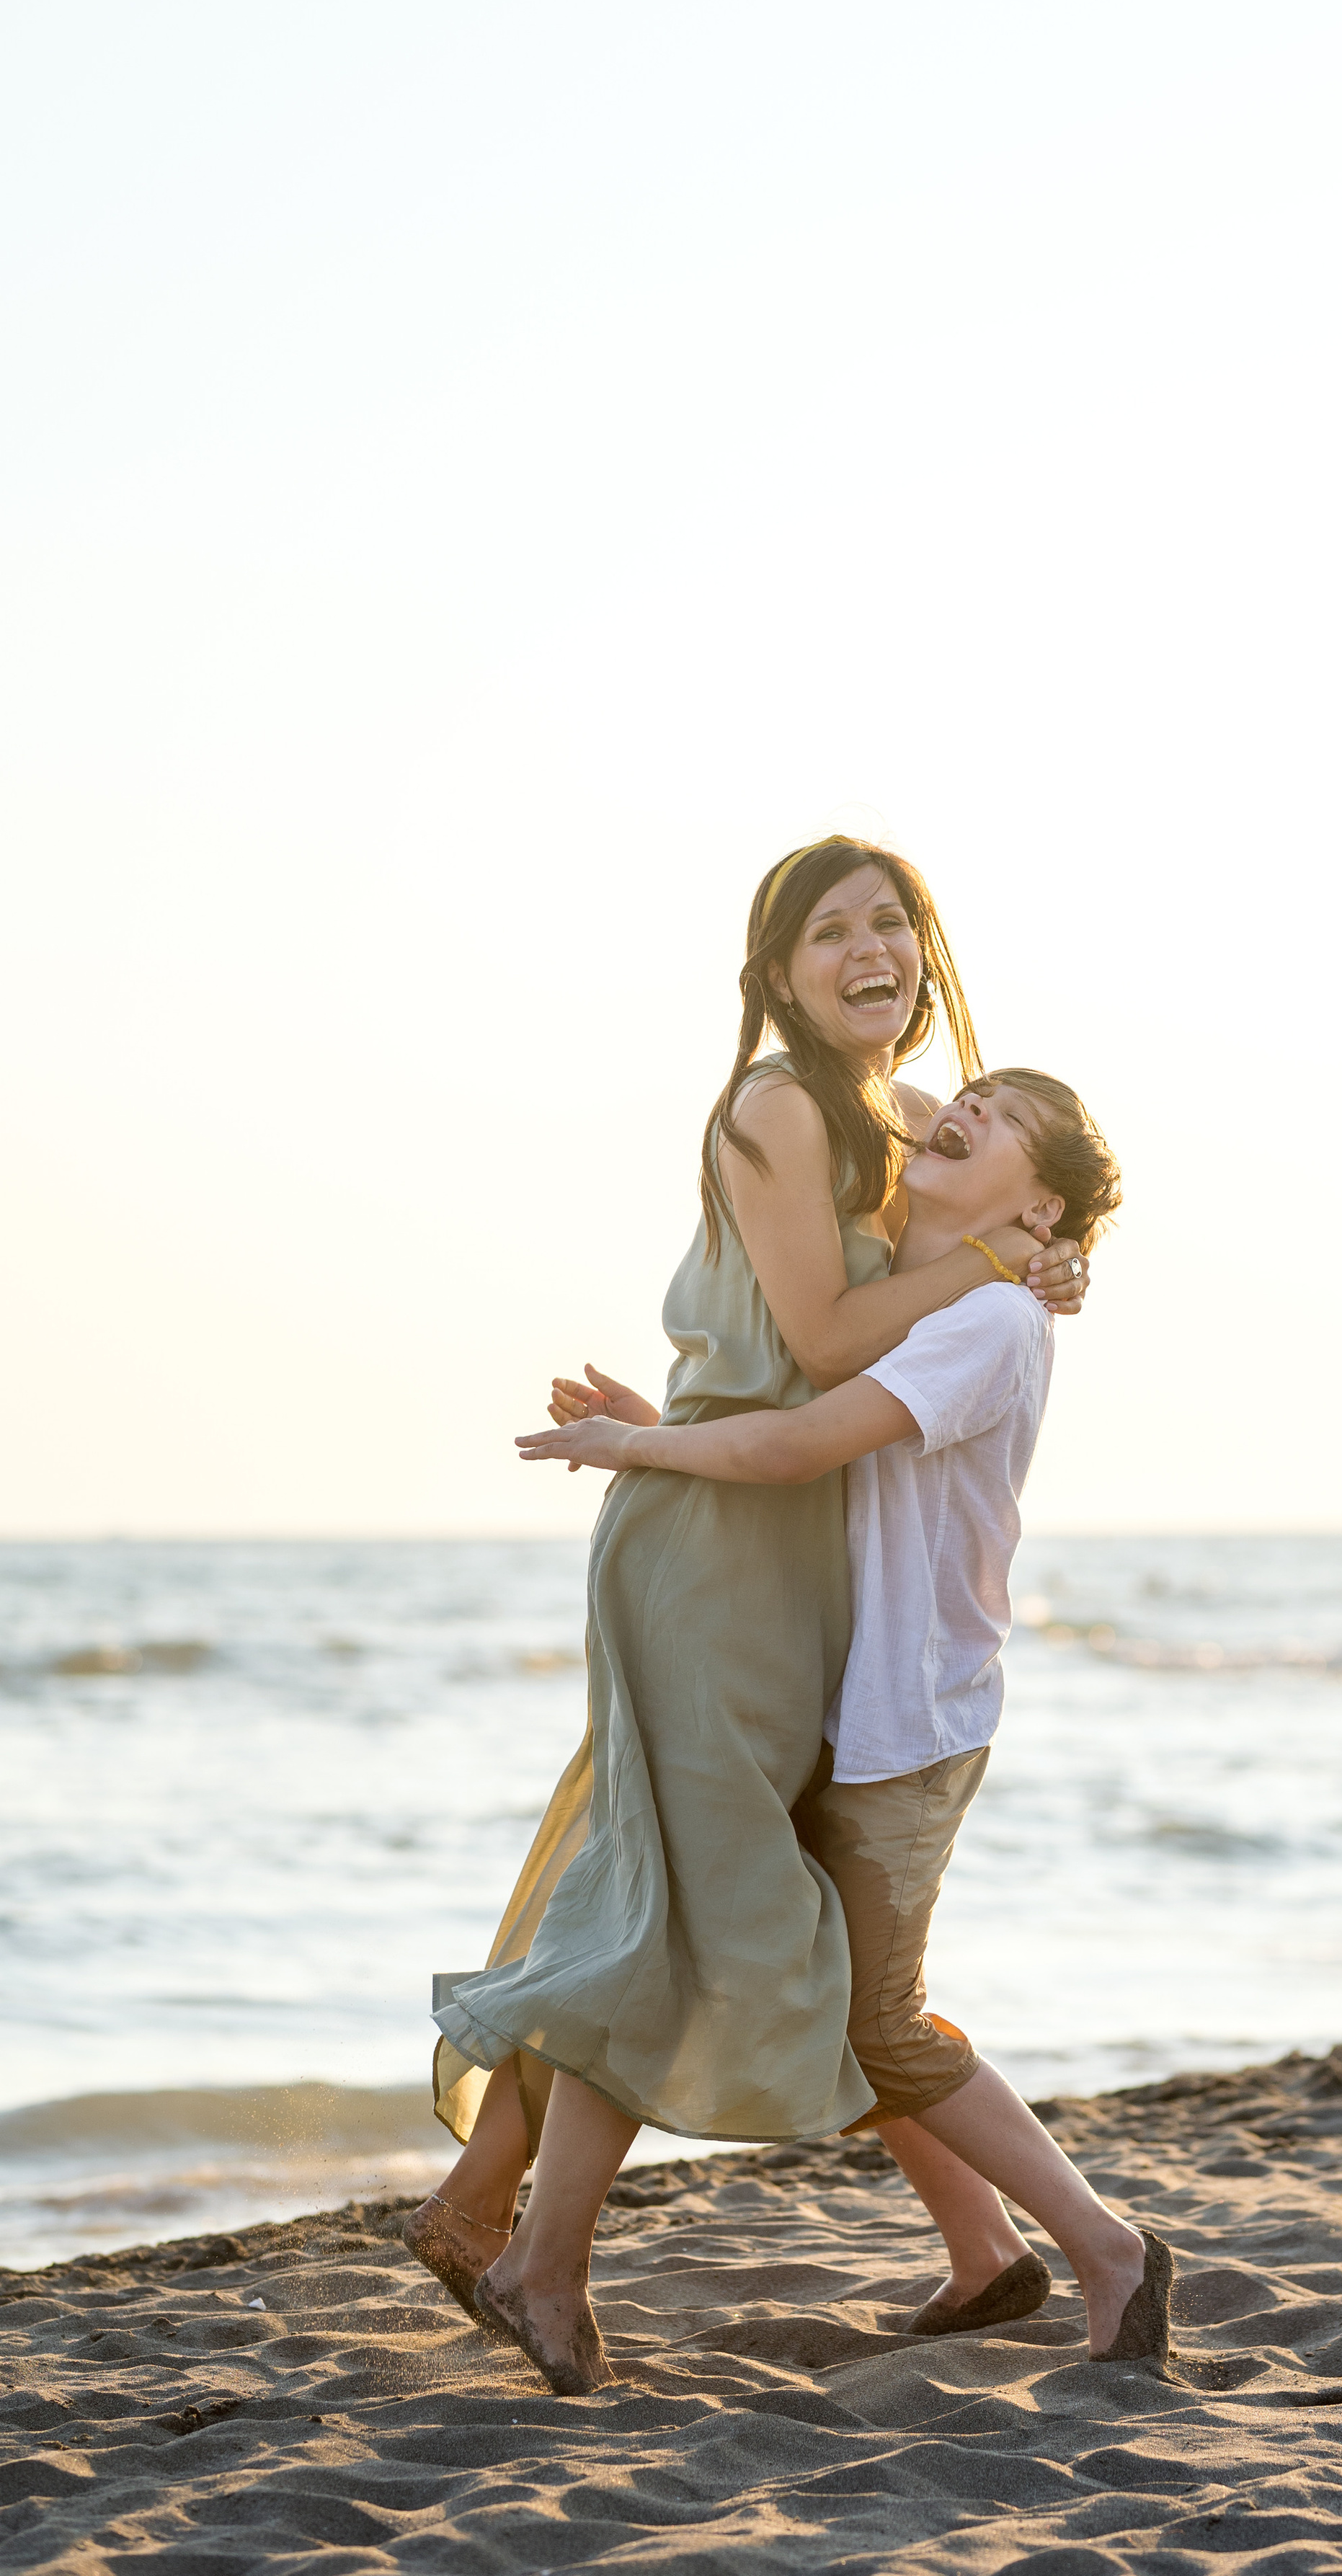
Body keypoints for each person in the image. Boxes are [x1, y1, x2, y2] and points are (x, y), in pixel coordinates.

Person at [404, 838, 1089, 2394]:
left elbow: (986, 1269)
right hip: (717, 1551)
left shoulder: (916, 1123)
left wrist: (1043, 1265)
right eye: (827, 932)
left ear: (925, 952)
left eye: (890, 924)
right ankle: (532, 2257)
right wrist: (1007, 1259)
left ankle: (492, 2215)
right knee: (690, 1908)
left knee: (708, 1904)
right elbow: (826, 1338)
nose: (868, 951)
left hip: (805, 1551)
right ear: (777, 974)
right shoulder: (776, 1107)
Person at [520, 1065, 1172, 2368]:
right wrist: (662, 1426)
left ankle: (1106, 2247)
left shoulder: (989, 1323)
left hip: (909, 1722)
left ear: (1042, 1208)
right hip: (849, 1700)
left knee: (879, 2019)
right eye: (973, 1093)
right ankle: (987, 2257)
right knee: (825, 1984)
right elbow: (809, 1449)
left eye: (1007, 1120)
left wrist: (634, 1451)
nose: (965, 1109)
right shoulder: (924, 1298)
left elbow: (795, 1449)